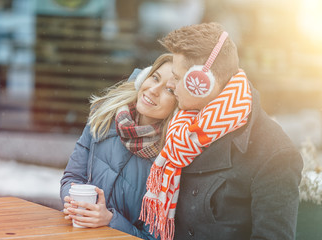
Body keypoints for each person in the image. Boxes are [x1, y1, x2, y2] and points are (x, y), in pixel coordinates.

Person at [138, 22, 303, 240]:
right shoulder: (181, 127)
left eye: (177, 78)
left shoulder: (275, 153)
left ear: (202, 82)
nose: (171, 84)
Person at [60, 53, 177, 239]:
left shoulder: (171, 158)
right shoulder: (104, 116)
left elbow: (153, 237)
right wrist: (75, 203)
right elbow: (72, 177)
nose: (154, 90)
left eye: (170, 90)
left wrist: (110, 220)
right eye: (155, 77)